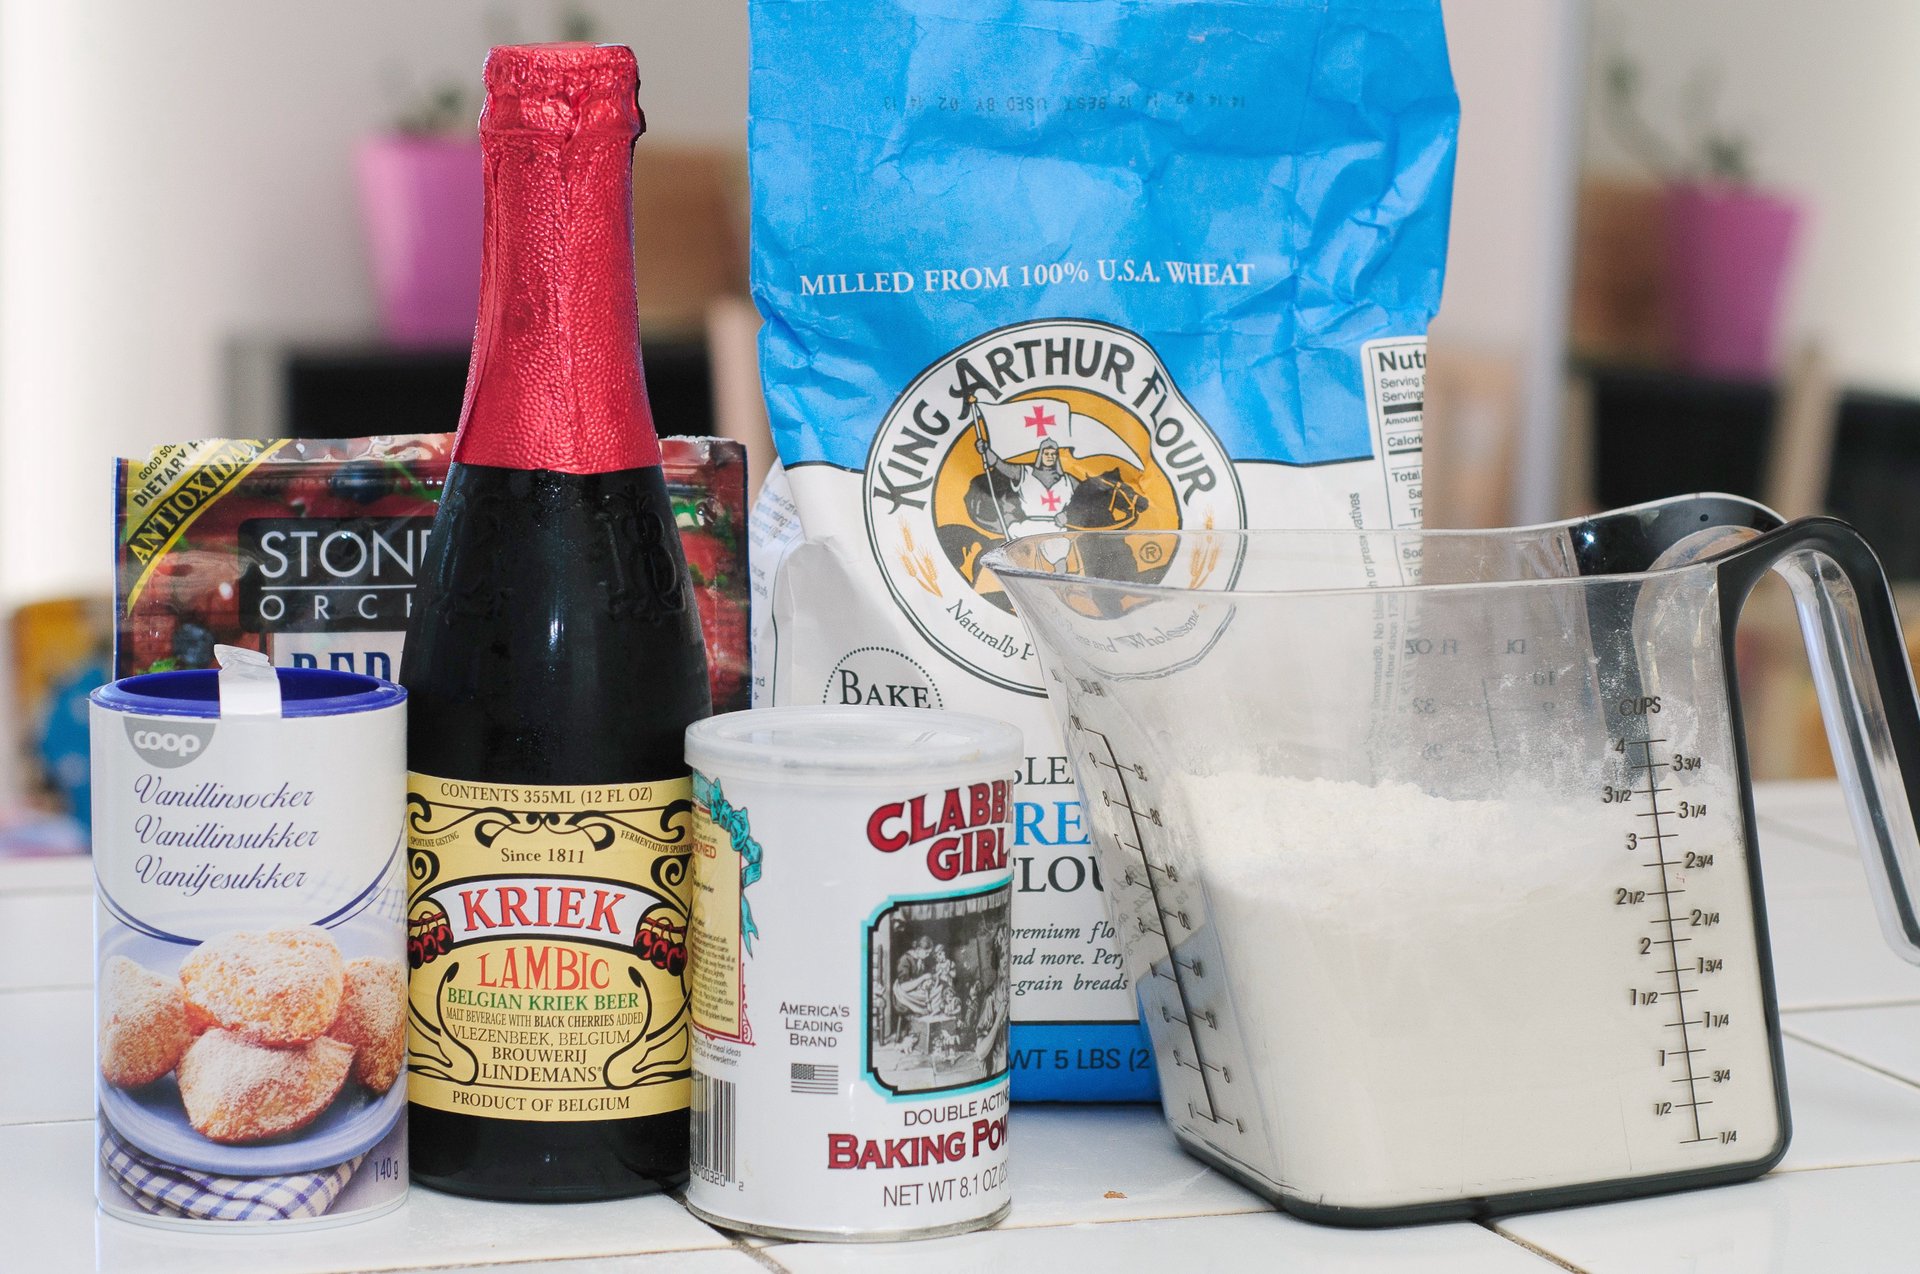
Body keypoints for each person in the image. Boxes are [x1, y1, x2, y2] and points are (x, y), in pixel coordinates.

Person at [976, 436, 1078, 564]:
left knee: (1060, 564)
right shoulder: (1025, 473)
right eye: (1047, 453)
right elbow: (1002, 466)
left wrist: (1068, 515)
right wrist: (986, 451)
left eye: (1053, 454)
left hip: (1056, 528)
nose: (1050, 457)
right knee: (1027, 562)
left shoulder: (1068, 481)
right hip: (1028, 527)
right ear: (1041, 455)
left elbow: (1084, 500)